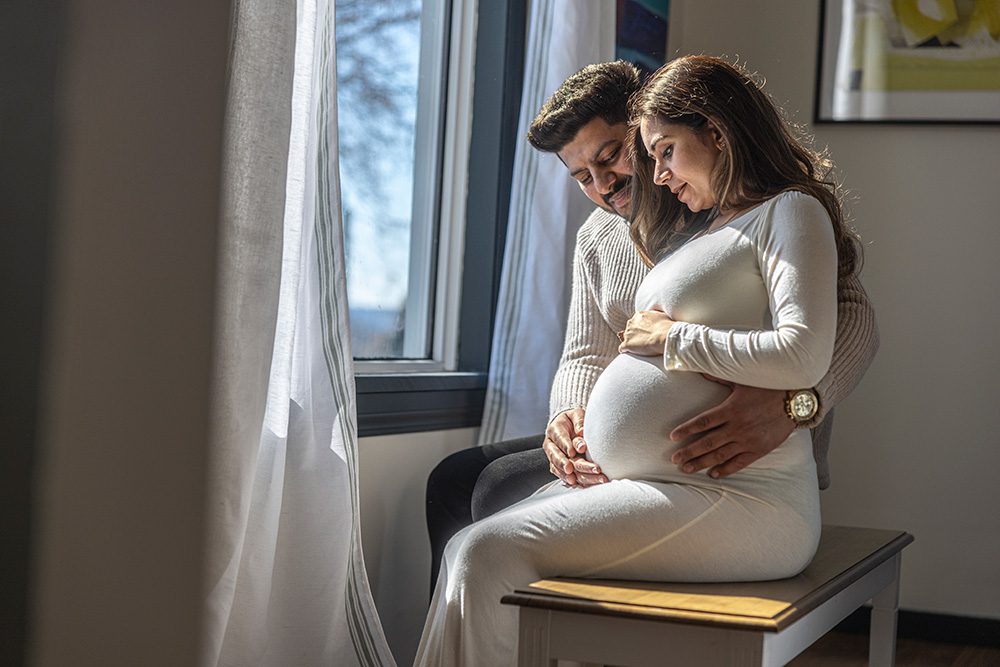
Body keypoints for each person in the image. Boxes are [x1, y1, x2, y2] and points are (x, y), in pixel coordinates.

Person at [415, 54, 871, 665]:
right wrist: (570, 421)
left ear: (646, 128)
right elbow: (587, 353)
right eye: (581, 176)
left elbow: (848, 322)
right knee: (457, 481)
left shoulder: (736, 206)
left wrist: (796, 406)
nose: (602, 185)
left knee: (493, 495)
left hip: (736, 458)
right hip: (645, 455)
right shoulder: (599, 238)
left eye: (610, 157)